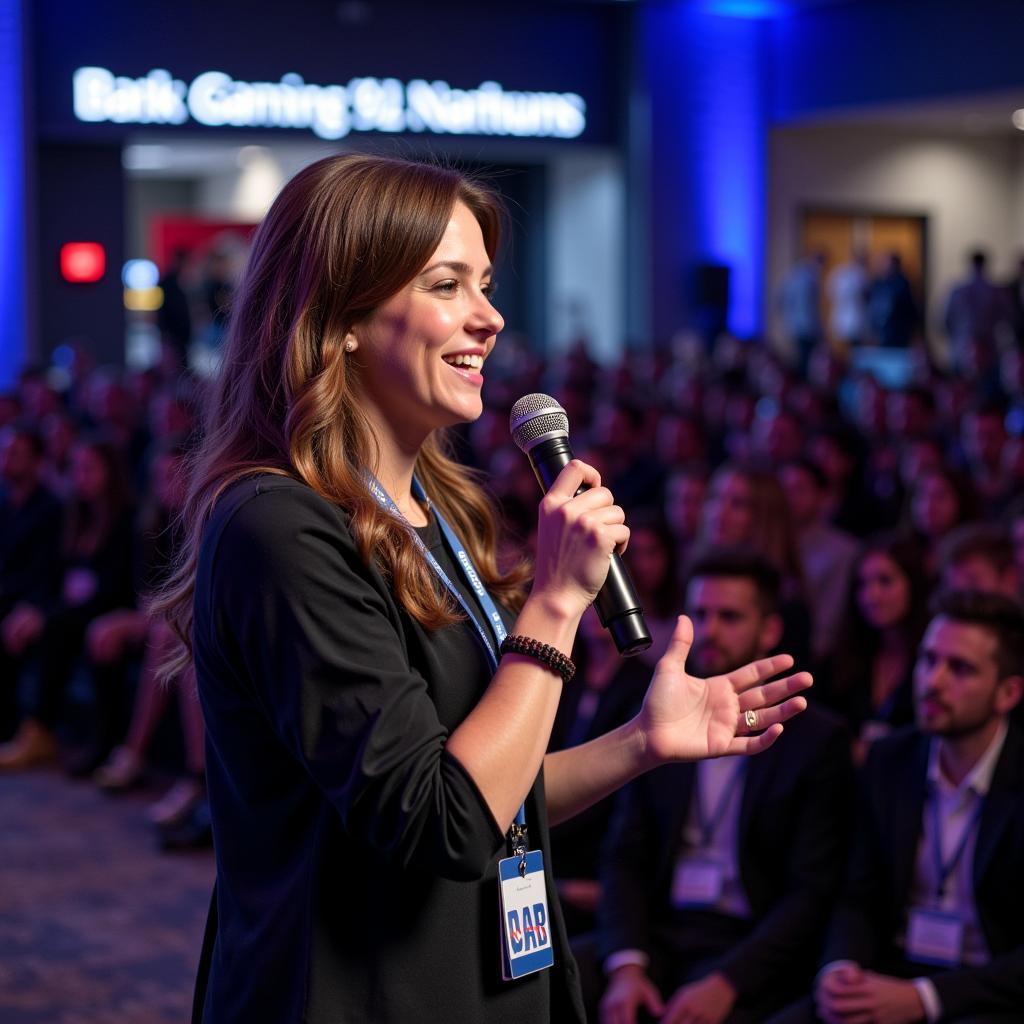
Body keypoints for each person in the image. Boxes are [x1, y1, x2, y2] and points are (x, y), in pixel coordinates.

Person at [152, 154, 811, 1024]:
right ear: (341, 315)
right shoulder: (279, 527)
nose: (490, 318)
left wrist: (641, 743)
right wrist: (557, 605)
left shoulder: (434, 512)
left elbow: (488, 789)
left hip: (483, 981)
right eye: (447, 285)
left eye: (487, 285)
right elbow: (441, 822)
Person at [588, 549, 852, 1024]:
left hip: (749, 944)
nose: (710, 630)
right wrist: (627, 965)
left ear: (769, 631)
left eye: (729, 617)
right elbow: (625, 856)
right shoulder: (657, 716)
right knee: (557, 975)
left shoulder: (816, 740)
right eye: (701, 614)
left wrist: (729, 981)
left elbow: (811, 892)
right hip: (663, 933)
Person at [771, 589, 1024, 1023]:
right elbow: (860, 895)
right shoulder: (890, 760)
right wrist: (842, 967)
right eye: (928, 660)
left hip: (985, 995)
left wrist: (926, 998)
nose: (934, 681)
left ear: (1007, 693)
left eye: (959, 668)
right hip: (891, 973)